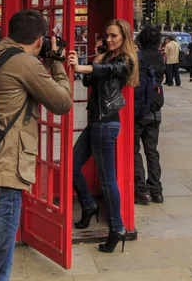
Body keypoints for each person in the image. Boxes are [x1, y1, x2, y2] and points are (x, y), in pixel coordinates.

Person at [0, 9, 72, 281]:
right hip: (1, 179)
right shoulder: (24, 63)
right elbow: (62, 102)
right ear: (39, 39)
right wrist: (56, 62)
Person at [68, 19, 139, 254]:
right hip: (95, 123)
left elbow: (109, 71)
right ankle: (88, 206)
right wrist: (95, 60)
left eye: (114, 36)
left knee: (108, 181)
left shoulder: (125, 61)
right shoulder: (106, 57)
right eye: (107, 35)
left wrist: (84, 67)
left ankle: (117, 228)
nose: (108, 39)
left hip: (106, 125)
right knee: (71, 166)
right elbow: (89, 81)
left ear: (124, 38)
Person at [134, 25, 165, 205]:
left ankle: (142, 190)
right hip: (155, 111)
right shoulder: (159, 58)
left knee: (134, 151)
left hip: (138, 111)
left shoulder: (139, 58)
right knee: (152, 151)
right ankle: (157, 190)